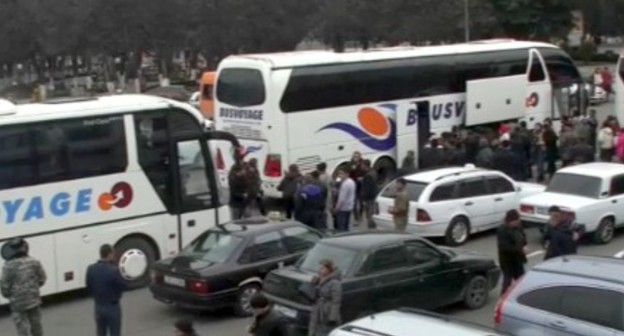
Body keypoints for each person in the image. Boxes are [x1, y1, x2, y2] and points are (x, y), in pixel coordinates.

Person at [0, 238, 46, 336]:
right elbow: (42, 279)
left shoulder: (8, 266)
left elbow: (5, 286)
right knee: (36, 325)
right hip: (33, 299)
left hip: (17, 303)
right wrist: (34, 288)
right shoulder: (34, 261)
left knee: (22, 328)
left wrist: (9, 295)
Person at [86, 244, 126, 336]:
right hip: (112, 307)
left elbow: (89, 286)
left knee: (100, 332)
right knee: (115, 332)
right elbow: (122, 286)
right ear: (110, 254)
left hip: (98, 306)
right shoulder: (114, 270)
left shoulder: (91, 269)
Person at [308, 260, 342, 336]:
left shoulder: (335, 282)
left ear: (329, 269)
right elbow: (313, 293)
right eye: (319, 268)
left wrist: (332, 317)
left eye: (322, 268)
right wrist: (313, 282)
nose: (319, 270)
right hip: (317, 309)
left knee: (324, 331)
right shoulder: (318, 279)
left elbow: (336, 301)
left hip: (326, 311)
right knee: (313, 329)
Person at [497, 210, 527, 294]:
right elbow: (504, 246)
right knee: (507, 282)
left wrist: (524, 244)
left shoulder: (519, 227)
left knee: (521, 280)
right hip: (507, 261)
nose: (517, 222)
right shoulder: (502, 230)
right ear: (510, 221)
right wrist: (519, 249)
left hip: (518, 259)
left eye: (518, 220)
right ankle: (503, 298)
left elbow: (523, 237)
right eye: (515, 221)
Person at [359, 160, 378, 229]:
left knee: (369, 215)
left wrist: (364, 200)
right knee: (371, 213)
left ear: (365, 165)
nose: (361, 166)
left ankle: (371, 228)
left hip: (369, 199)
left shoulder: (367, 176)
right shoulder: (373, 172)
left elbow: (367, 189)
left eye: (362, 165)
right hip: (374, 196)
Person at [316, 163, 332, 229]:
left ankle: (327, 226)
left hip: (324, 195)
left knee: (325, 212)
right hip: (329, 193)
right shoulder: (328, 175)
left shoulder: (321, 177)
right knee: (327, 210)